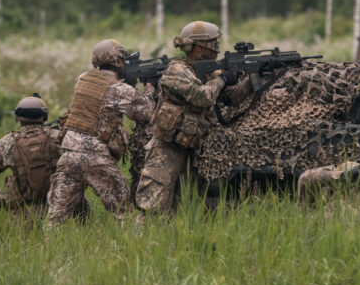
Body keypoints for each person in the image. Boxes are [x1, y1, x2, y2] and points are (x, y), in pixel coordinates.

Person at [46, 39, 152, 228]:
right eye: (122, 59)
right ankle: (136, 243)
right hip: (96, 157)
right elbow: (146, 113)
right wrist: (149, 90)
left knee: (56, 218)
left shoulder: (82, 79)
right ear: (117, 61)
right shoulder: (119, 89)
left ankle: (48, 244)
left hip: (68, 155)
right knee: (124, 215)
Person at [135, 21, 228, 212]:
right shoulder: (177, 70)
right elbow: (202, 96)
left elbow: (232, 97)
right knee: (152, 207)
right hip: (166, 149)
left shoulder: (208, 73)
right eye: (213, 44)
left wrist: (252, 77)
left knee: (183, 208)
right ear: (199, 49)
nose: (217, 49)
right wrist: (223, 79)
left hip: (190, 148)